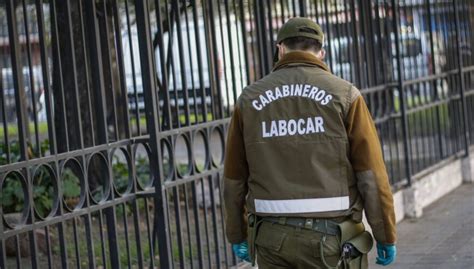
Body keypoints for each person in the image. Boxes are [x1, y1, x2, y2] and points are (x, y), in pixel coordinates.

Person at [223, 17, 397, 268]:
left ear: (280, 49)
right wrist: (385, 234)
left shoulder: (249, 99)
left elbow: (233, 179)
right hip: (332, 240)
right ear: (321, 53)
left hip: (271, 240)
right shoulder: (345, 95)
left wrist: (237, 234)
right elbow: (371, 174)